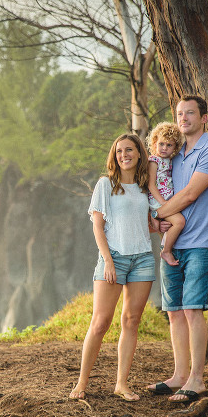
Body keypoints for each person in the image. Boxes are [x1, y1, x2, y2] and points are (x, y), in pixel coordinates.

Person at [146, 94, 208, 403]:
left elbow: (192, 193)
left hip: (201, 242)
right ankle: (180, 375)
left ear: (203, 117)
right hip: (174, 243)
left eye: (190, 113)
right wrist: (154, 221)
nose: (183, 118)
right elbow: (156, 188)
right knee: (174, 313)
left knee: (193, 310)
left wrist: (156, 215)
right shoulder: (173, 154)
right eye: (180, 113)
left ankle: (197, 379)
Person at [69, 134, 157, 402]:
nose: (124, 155)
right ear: (114, 156)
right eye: (119, 151)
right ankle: (81, 383)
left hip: (142, 258)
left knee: (131, 321)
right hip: (114, 258)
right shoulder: (106, 185)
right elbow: (97, 226)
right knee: (100, 322)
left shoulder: (145, 188)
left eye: (129, 150)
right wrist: (107, 260)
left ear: (139, 154)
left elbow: (155, 220)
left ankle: (121, 384)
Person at [147, 122, 186, 267]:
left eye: (169, 145)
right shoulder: (154, 161)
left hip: (167, 200)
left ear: (175, 148)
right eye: (161, 144)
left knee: (170, 225)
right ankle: (166, 251)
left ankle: (168, 247)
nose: (164, 148)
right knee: (179, 222)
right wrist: (163, 203)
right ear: (155, 143)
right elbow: (151, 185)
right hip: (159, 201)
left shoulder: (170, 161)